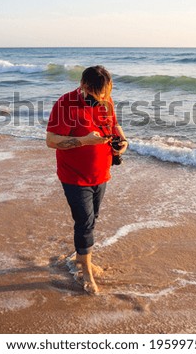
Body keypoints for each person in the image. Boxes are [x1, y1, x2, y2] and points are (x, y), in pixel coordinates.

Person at [46, 65, 127, 294]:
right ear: (83, 86)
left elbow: (114, 125)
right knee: (84, 221)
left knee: (92, 219)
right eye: (97, 95)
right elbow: (51, 140)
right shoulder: (65, 104)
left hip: (101, 172)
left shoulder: (106, 100)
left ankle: (82, 258)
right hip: (74, 174)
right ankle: (86, 271)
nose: (102, 99)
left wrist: (123, 141)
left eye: (105, 94)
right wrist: (83, 141)